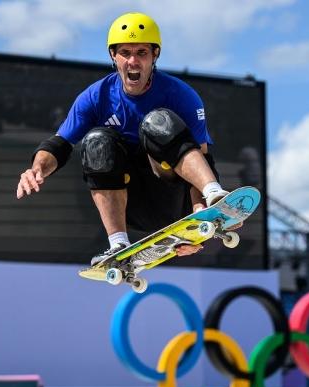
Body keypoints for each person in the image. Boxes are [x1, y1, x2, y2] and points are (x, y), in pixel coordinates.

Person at [16, 12, 234, 265]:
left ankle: (215, 195)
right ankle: (118, 243)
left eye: (142, 53)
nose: (133, 61)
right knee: (97, 140)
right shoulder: (96, 96)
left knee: (157, 121)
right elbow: (60, 144)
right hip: (129, 202)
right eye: (125, 53)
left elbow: (203, 156)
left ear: (155, 56)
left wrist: (201, 218)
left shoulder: (180, 95)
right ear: (113, 56)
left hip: (172, 196)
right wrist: (36, 168)